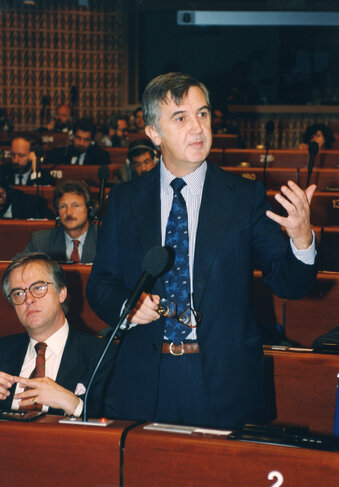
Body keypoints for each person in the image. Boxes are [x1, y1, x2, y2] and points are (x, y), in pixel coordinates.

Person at [86, 72, 317, 429]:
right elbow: (100, 283)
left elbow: (291, 285)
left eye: (203, 114)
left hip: (224, 383)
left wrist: (301, 240)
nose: (197, 128)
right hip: (144, 382)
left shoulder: (243, 197)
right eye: (181, 118)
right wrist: (127, 307)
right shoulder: (124, 200)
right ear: (153, 132)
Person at [0, 253, 109, 416]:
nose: (28, 299)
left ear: (61, 293)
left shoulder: (101, 354)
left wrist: (73, 404)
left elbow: (117, 425)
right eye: (18, 293)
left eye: (38, 288)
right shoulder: (2, 351)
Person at [16, 180, 97, 263]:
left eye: (75, 205)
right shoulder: (40, 241)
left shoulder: (104, 239)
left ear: (89, 209)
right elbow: (15, 267)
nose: (69, 212)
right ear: (57, 212)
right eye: (63, 206)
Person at [45, 118, 110, 165]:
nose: (81, 143)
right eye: (78, 138)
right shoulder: (57, 154)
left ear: (91, 141)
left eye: (86, 140)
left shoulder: (101, 157)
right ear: (72, 136)